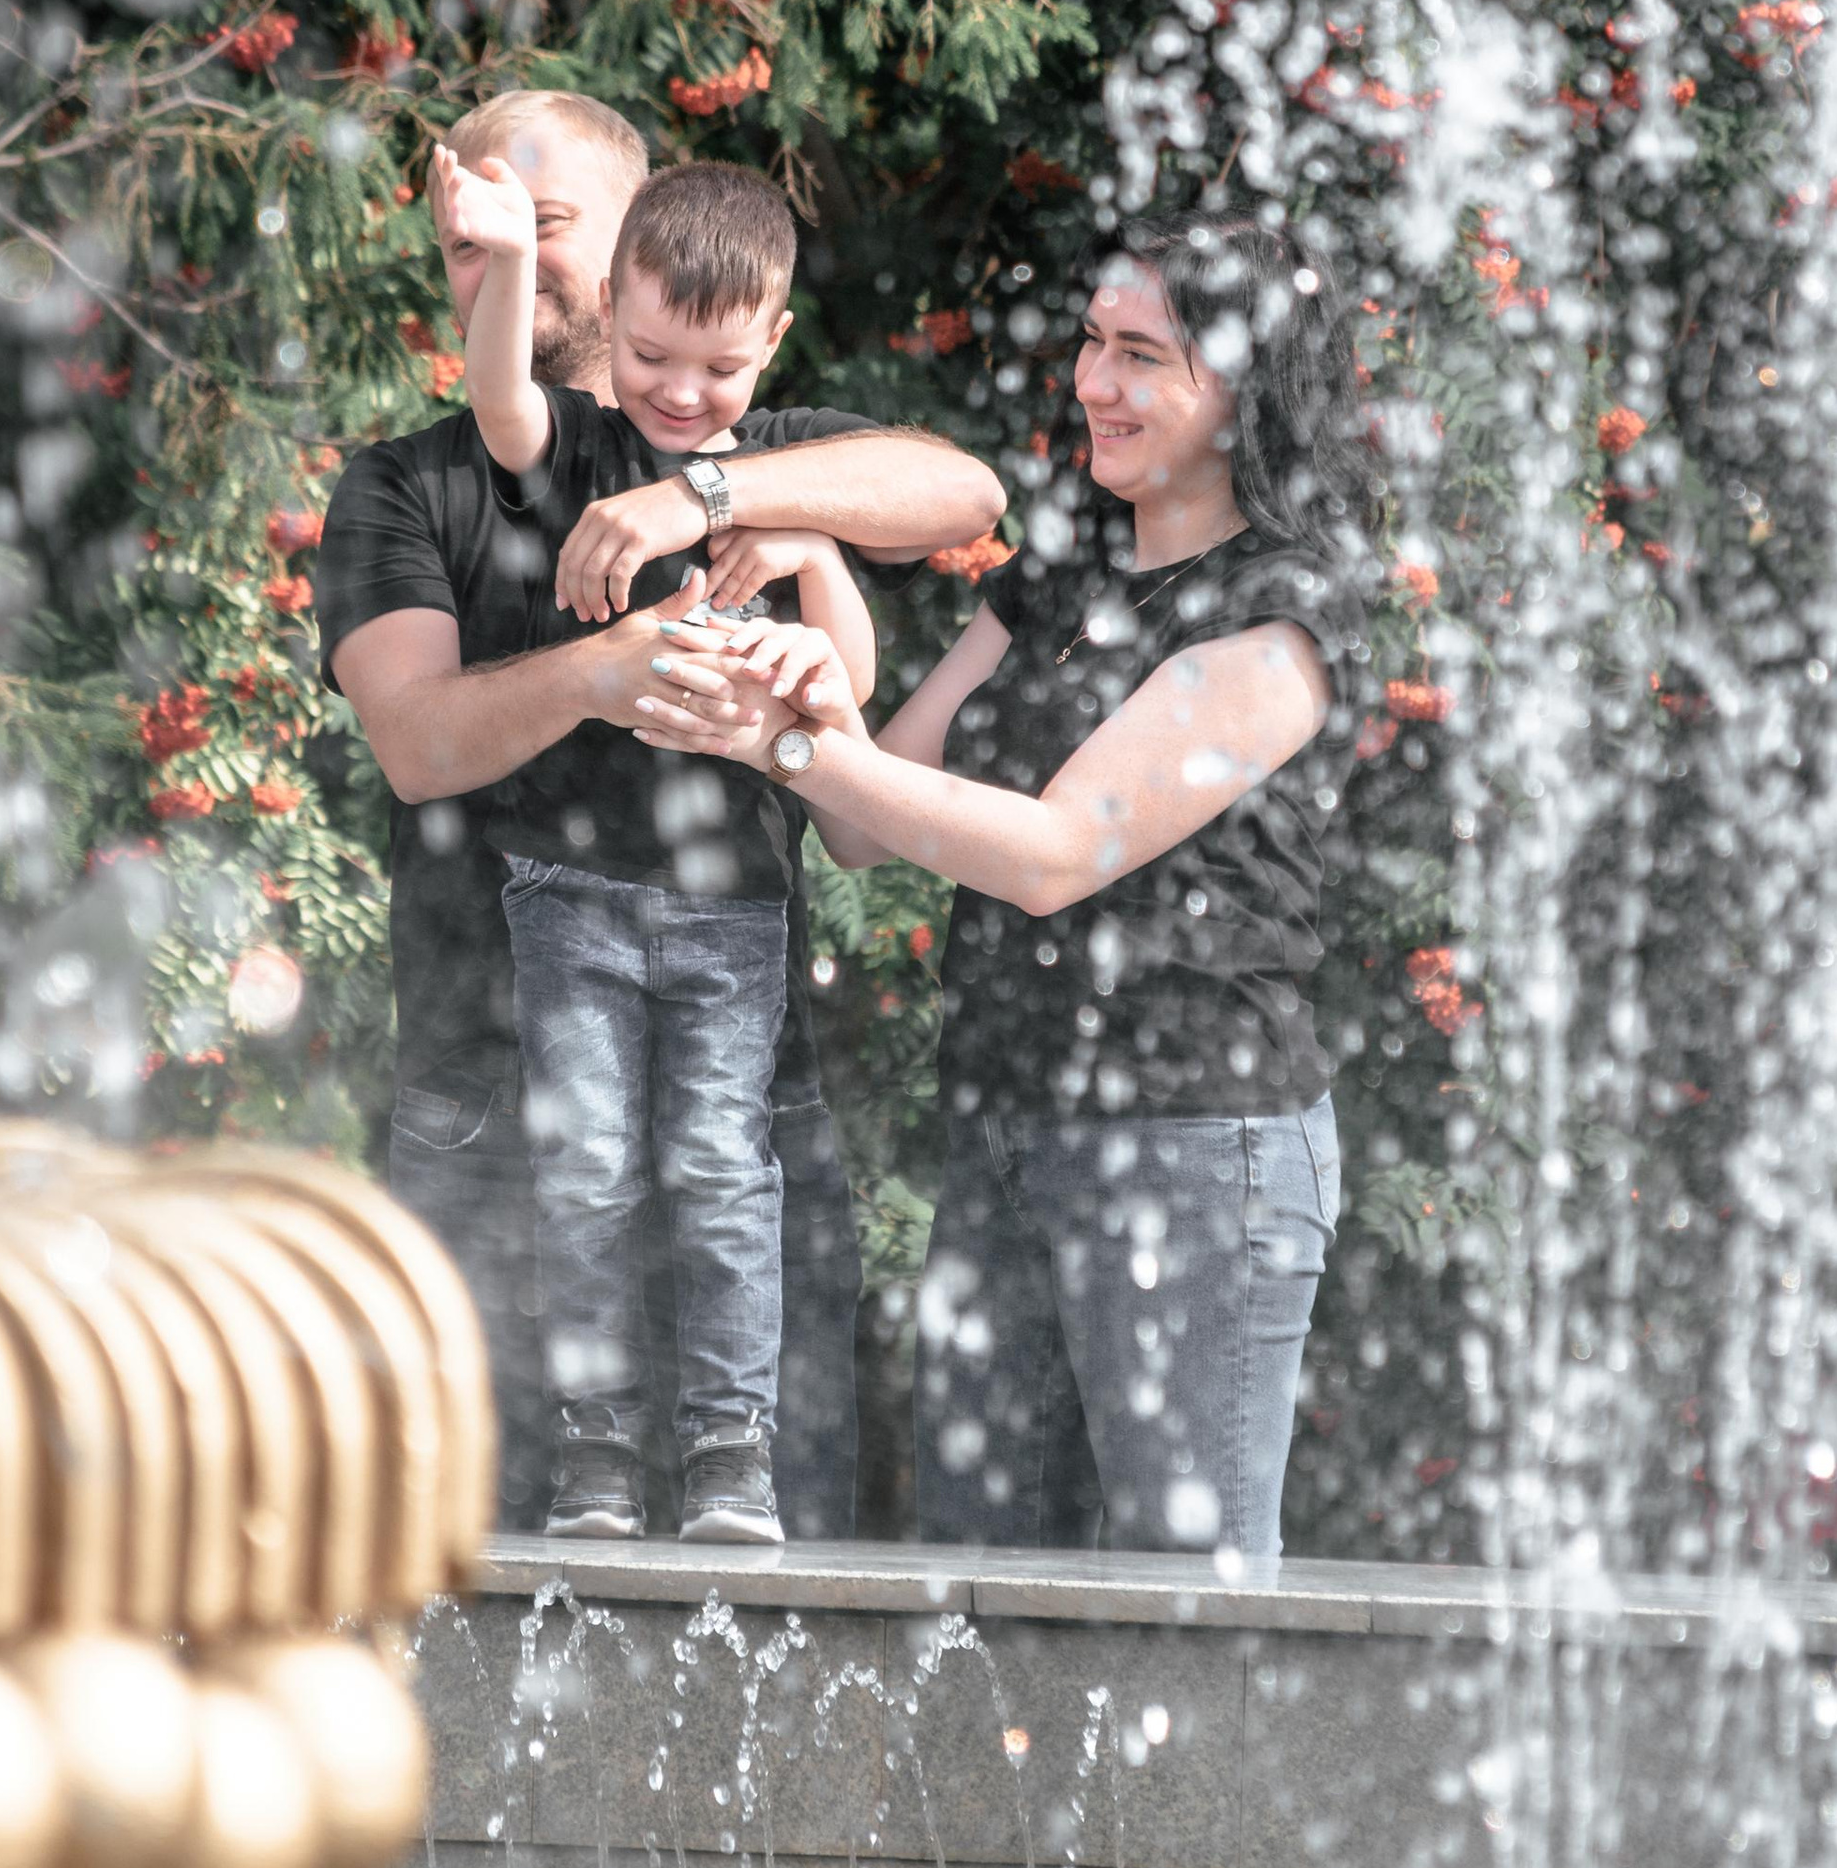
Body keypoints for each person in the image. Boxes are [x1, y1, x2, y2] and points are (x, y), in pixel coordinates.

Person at [629, 213, 1375, 1566]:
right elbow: (869, 815)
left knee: (1180, 1616)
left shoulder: (1284, 613)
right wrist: (801, 635)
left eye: (1142, 356)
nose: (1094, 381)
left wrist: (789, 749)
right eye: (1093, 343)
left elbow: (1048, 855)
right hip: (1004, 1134)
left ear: (1246, 390)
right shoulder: (1061, 572)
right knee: (982, 1615)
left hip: (1200, 1150)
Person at [313, 87, 1007, 1534]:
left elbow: (959, 488)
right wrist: (603, 668)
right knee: (480, 1567)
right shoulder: (420, 481)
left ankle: (722, 1458)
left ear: (639, 242)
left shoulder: (744, 445)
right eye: (471, 240)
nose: (507, 257)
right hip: (488, 1102)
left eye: (545, 225)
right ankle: (599, 1458)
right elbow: (421, 745)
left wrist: (731, 508)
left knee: (769, 1583)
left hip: (735, 1080)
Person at [429, 144, 883, 1542]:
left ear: (773, 346)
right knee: (589, 1173)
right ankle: (600, 1450)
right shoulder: (584, 448)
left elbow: (851, 694)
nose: (683, 397)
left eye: (720, 371)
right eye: (648, 357)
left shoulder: (780, 472)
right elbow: (501, 399)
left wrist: (806, 550)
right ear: (613, 310)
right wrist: (508, 261)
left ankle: (727, 1449)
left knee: (718, 1169)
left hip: (733, 907)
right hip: (569, 893)